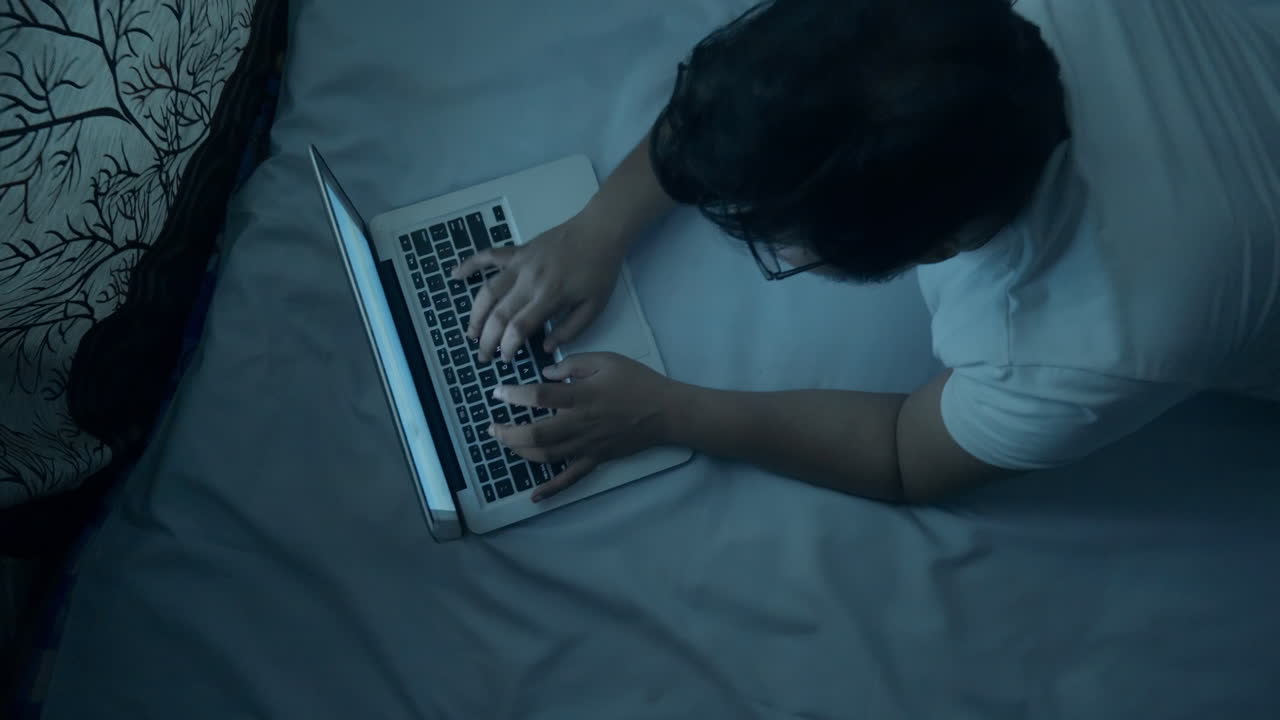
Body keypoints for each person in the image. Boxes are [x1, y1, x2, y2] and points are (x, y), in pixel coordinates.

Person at [452, 0, 1280, 504]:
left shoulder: (1077, 346)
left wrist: (671, 412)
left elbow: (903, 456)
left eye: (784, 245)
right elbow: (776, 83)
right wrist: (599, 225)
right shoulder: (921, 30)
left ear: (943, 244)